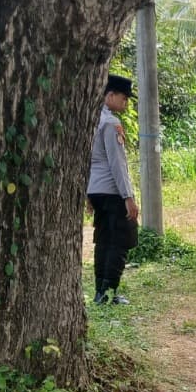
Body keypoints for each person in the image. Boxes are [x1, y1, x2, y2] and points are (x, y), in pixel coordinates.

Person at [87, 74, 140, 305]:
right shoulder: (110, 123)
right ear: (110, 95)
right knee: (121, 238)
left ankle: (101, 290)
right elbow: (117, 164)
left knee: (104, 240)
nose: (126, 103)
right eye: (124, 98)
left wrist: (86, 193)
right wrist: (128, 196)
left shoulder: (90, 120)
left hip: (95, 189)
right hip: (111, 190)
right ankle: (109, 291)